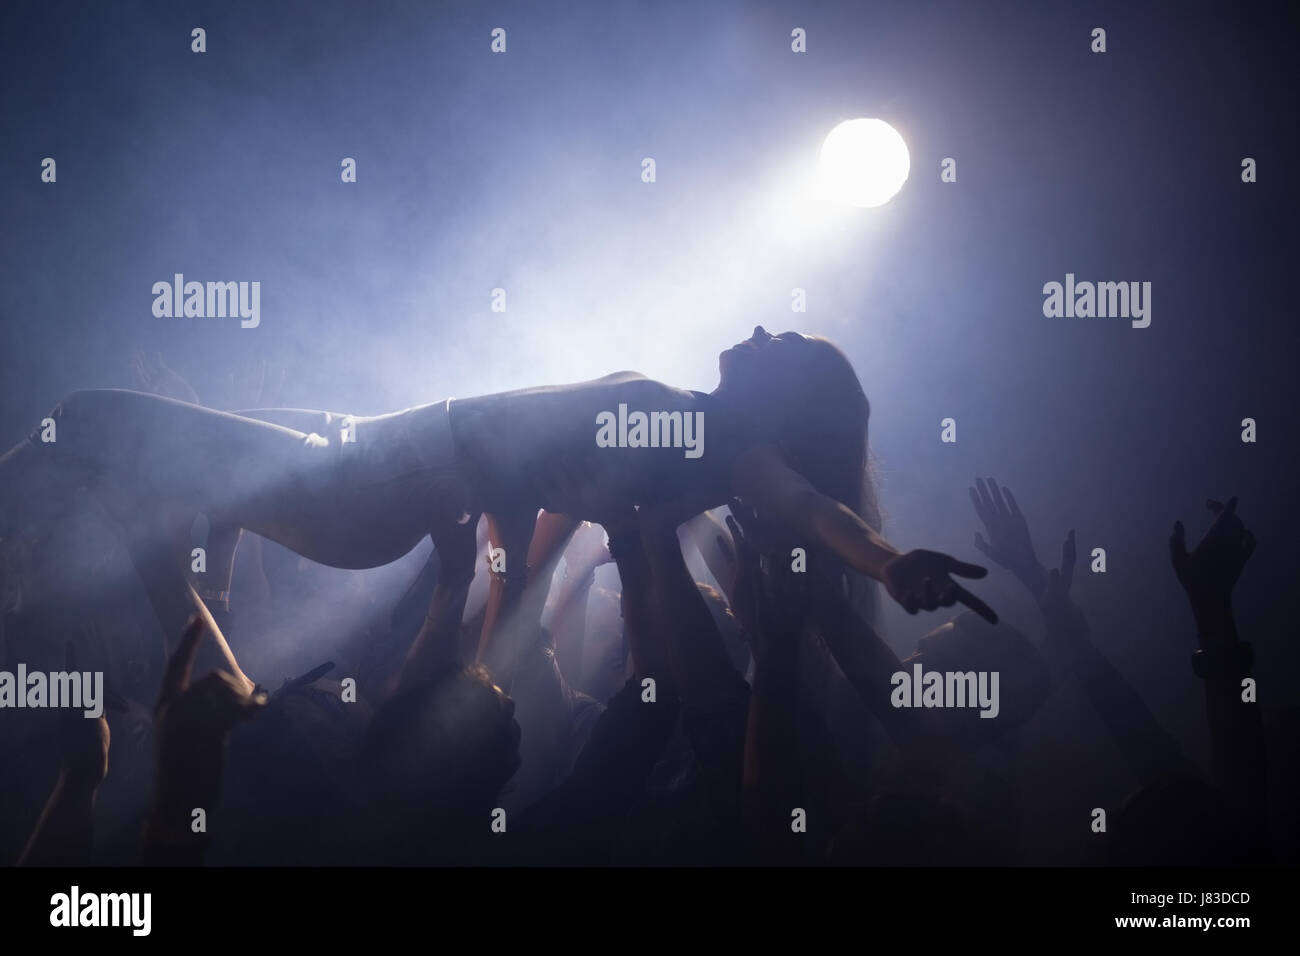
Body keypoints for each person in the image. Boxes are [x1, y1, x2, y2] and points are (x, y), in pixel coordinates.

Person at [0, 327, 995, 685]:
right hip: (371, 442)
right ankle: (198, 675)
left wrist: (888, 560)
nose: (767, 327)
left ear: (790, 405)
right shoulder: (691, 419)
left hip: (371, 481)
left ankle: (196, 681)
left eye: (789, 349)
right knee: (164, 487)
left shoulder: (731, 448)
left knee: (93, 419)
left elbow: (814, 509)